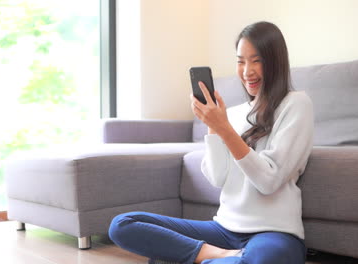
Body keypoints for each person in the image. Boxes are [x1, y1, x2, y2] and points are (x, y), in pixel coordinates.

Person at [108, 21, 314, 264]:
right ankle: (214, 256)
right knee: (122, 225)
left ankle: (196, 257)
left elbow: (268, 181)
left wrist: (224, 129)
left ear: (275, 61)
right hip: (223, 231)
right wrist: (213, 126)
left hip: (272, 233)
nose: (247, 71)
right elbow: (218, 178)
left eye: (256, 60)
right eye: (240, 61)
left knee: (264, 259)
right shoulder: (233, 113)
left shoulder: (296, 104)